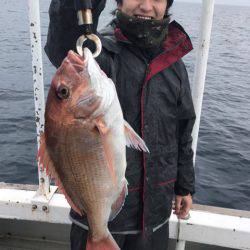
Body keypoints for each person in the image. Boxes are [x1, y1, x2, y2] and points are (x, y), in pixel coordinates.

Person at [45, 0, 196, 249]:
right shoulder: (97, 51)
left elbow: (182, 130)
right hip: (95, 215)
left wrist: (184, 186)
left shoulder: (175, 62)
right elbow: (63, 44)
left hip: (156, 216)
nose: (146, 6)